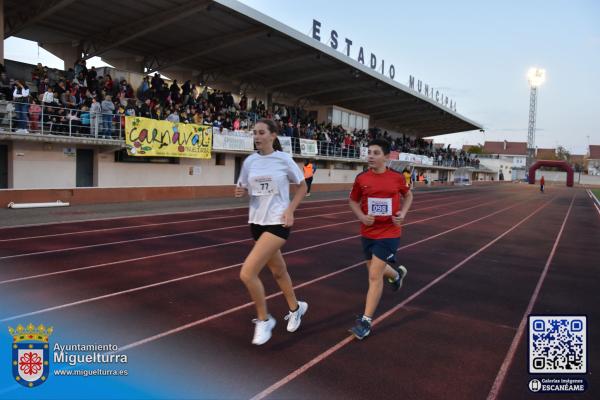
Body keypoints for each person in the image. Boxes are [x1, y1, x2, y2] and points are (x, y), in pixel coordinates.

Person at [235, 119, 309, 345]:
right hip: (256, 222)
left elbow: (303, 186)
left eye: (261, 133)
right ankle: (296, 308)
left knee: (247, 273)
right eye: (254, 133)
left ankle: (264, 319)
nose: (257, 137)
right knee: (278, 271)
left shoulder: (284, 160)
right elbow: (245, 187)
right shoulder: (249, 162)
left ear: (273, 135)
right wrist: (240, 191)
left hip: (278, 222)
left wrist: (290, 210)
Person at [348, 138, 414, 340]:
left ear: (386, 157)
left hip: (390, 232)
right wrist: (361, 216)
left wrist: (402, 214)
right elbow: (352, 200)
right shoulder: (361, 178)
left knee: (374, 275)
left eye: (376, 153)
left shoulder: (396, 178)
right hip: (368, 232)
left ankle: (366, 322)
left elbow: (408, 196)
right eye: (369, 152)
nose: (370, 156)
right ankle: (396, 275)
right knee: (374, 269)